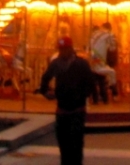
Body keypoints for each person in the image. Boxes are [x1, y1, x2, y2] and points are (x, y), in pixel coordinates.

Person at [39, 35, 96, 165]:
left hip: (77, 110)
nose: (62, 52)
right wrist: (45, 92)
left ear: (70, 49)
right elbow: (45, 78)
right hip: (62, 110)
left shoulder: (81, 64)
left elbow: (91, 84)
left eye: (64, 49)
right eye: (60, 49)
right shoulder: (56, 64)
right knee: (64, 146)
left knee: (76, 145)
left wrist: (81, 95)